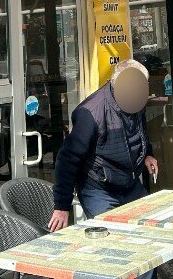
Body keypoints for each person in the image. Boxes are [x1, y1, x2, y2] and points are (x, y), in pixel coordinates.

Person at [49, 59, 158, 231]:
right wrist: (62, 206)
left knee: (152, 225)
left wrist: (147, 154)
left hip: (129, 183)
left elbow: (140, 131)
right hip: (99, 189)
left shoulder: (136, 100)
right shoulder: (91, 112)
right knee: (114, 237)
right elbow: (67, 158)